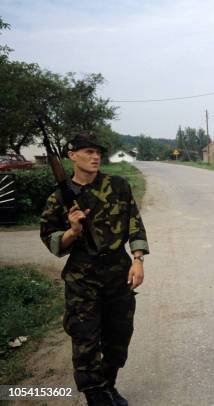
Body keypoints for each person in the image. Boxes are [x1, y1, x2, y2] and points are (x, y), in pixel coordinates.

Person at [40, 132, 148, 406]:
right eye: (88, 151)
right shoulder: (58, 199)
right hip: (82, 279)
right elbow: (53, 242)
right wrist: (73, 231)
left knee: (118, 337)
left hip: (118, 273)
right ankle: (96, 396)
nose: (95, 156)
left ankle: (108, 386)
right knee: (86, 341)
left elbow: (135, 222)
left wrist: (137, 259)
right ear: (71, 155)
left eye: (98, 151)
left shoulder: (119, 186)